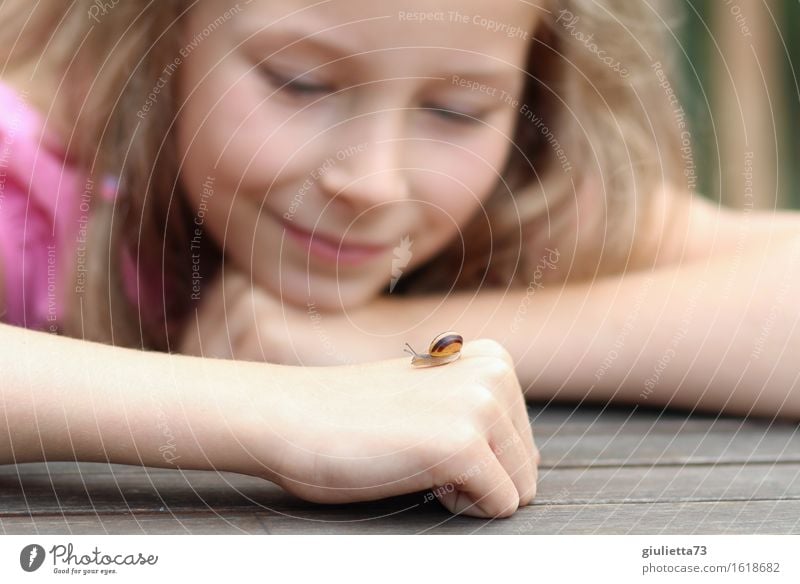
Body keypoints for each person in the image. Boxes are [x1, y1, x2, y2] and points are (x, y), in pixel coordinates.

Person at [0, 0, 797, 521]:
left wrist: (394, 340)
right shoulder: (27, 185)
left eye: (456, 109)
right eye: (299, 82)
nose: (373, 182)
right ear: (168, 26)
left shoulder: (515, 197)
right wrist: (274, 407)